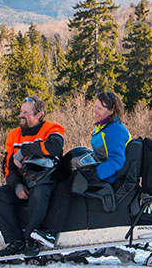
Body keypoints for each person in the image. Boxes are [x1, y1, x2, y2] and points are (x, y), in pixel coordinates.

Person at [31, 91, 131, 248]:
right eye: (95, 107)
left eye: (100, 109)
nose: (95, 111)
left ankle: (51, 232)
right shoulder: (105, 126)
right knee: (66, 169)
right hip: (100, 170)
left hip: (108, 177)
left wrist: (95, 174)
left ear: (111, 111)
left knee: (65, 187)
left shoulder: (115, 131)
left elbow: (117, 161)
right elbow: (102, 153)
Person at [0, 96, 65, 256]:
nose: (21, 115)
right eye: (20, 111)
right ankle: (15, 241)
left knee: (39, 194)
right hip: (23, 182)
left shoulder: (52, 129)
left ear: (38, 115)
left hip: (46, 181)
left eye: (26, 112)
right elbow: (7, 166)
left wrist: (26, 150)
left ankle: (31, 239)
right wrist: (17, 186)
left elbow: (54, 148)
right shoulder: (13, 135)